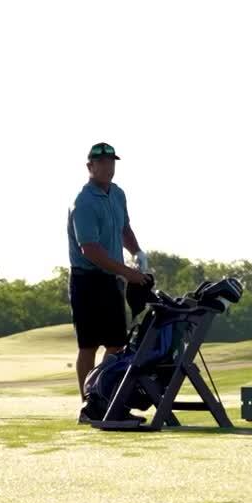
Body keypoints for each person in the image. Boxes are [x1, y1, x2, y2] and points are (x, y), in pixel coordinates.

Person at [67, 142, 150, 422]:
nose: (107, 167)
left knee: (116, 345)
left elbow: (124, 228)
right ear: (90, 166)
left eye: (111, 162)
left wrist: (137, 252)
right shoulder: (84, 202)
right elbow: (90, 250)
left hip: (111, 281)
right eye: (101, 163)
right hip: (87, 281)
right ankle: (89, 406)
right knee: (88, 346)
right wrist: (128, 272)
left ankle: (105, 398)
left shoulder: (117, 194)